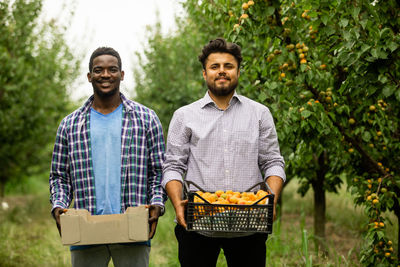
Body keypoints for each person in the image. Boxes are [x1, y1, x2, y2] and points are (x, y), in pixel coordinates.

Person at [162, 38, 286, 267]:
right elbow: (173, 166)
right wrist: (178, 202)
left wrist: (271, 200)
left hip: (249, 223)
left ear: (238, 71)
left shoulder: (260, 113)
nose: (222, 71)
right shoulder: (184, 116)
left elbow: (272, 161)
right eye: (214, 66)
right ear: (204, 73)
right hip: (199, 222)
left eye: (228, 66)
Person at [49, 47, 167, 267]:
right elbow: (59, 176)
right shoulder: (70, 125)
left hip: (132, 227)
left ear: (122, 74)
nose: (105, 75)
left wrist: (157, 204)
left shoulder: (146, 118)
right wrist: (58, 205)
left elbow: (159, 171)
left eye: (112, 69)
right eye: (98, 70)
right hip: (86, 231)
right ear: (89, 76)